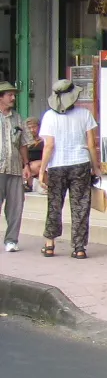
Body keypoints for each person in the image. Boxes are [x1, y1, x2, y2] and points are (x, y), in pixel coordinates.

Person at [38, 79, 100, 260]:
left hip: (57, 165)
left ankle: (50, 244)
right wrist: (96, 167)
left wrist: (42, 170)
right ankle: (79, 248)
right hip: (80, 163)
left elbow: (49, 146)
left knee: (54, 205)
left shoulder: (49, 116)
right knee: (80, 206)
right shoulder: (85, 114)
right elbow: (91, 144)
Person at [0, 82, 25, 251]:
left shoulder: (17, 118)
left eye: (14, 95)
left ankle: (11, 240)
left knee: (16, 206)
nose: (13, 98)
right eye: (10, 95)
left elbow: (23, 143)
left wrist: (26, 164)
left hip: (15, 168)